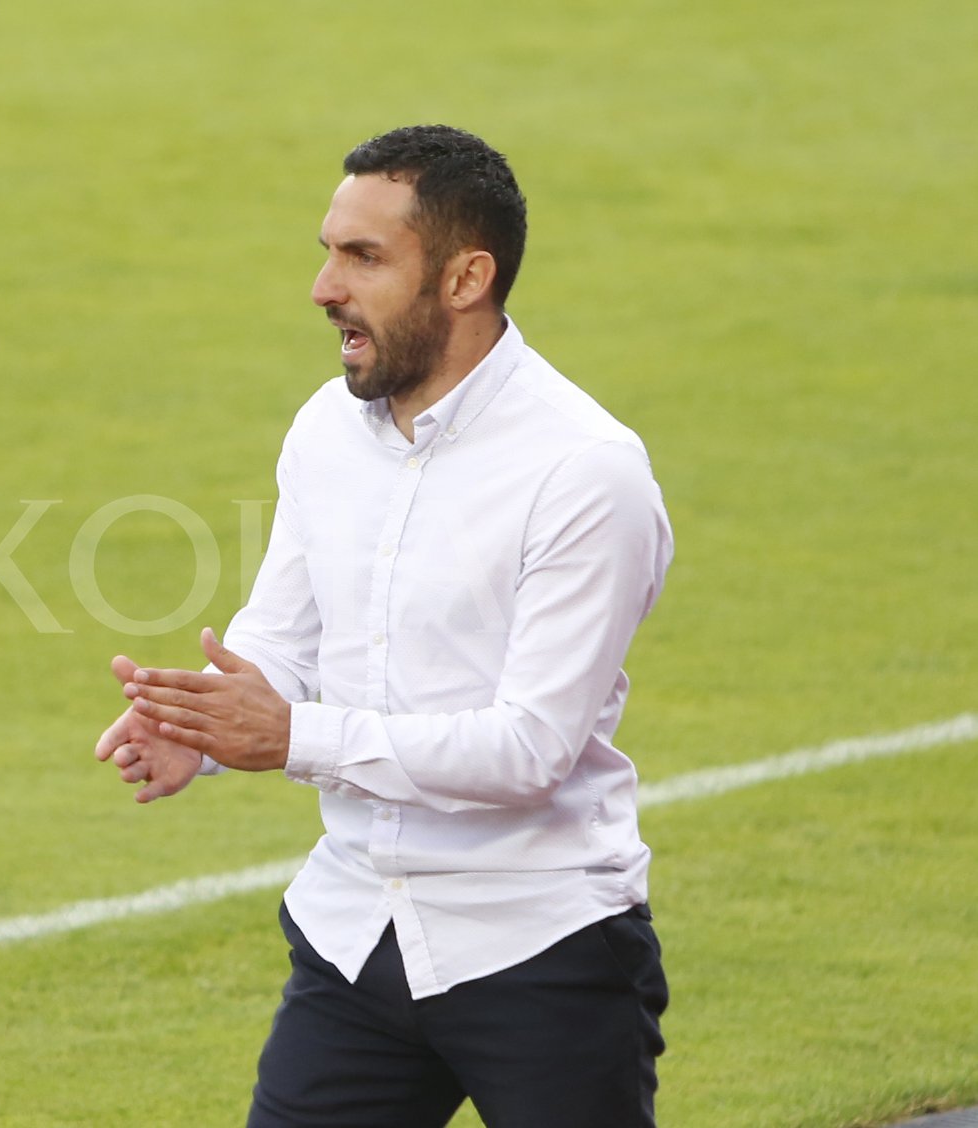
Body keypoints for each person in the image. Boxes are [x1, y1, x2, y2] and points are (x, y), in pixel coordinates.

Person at [94, 124, 673, 1128]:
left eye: (363, 258)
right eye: (328, 252)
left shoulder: (585, 472)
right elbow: (282, 643)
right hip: (356, 937)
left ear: (465, 278)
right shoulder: (326, 430)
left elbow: (529, 749)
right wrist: (200, 726)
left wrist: (293, 738)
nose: (324, 288)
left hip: (540, 951)